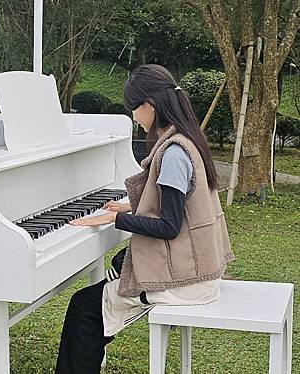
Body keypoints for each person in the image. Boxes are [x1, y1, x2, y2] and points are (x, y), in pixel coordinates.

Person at [54, 64, 234, 374]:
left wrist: (114, 222)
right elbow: (177, 207)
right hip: (200, 265)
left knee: (83, 307)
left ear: (149, 106)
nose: (134, 118)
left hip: (189, 282)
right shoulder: (188, 141)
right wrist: (125, 209)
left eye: (134, 109)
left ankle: (93, 337)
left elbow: (168, 226)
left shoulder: (174, 154)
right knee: (122, 261)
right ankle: (100, 335)